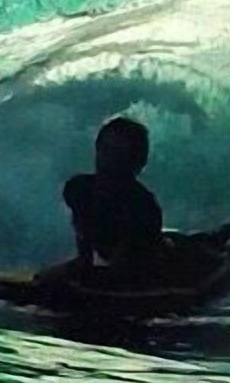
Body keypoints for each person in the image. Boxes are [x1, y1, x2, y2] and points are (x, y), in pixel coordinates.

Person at [38, 117, 164, 287]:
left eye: (119, 154)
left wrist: (72, 275)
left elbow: (125, 272)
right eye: (105, 149)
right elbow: (85, 258)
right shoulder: (79, 189)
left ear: (137, 162)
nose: (108, 159)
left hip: (141, 275)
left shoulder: (143, 207)